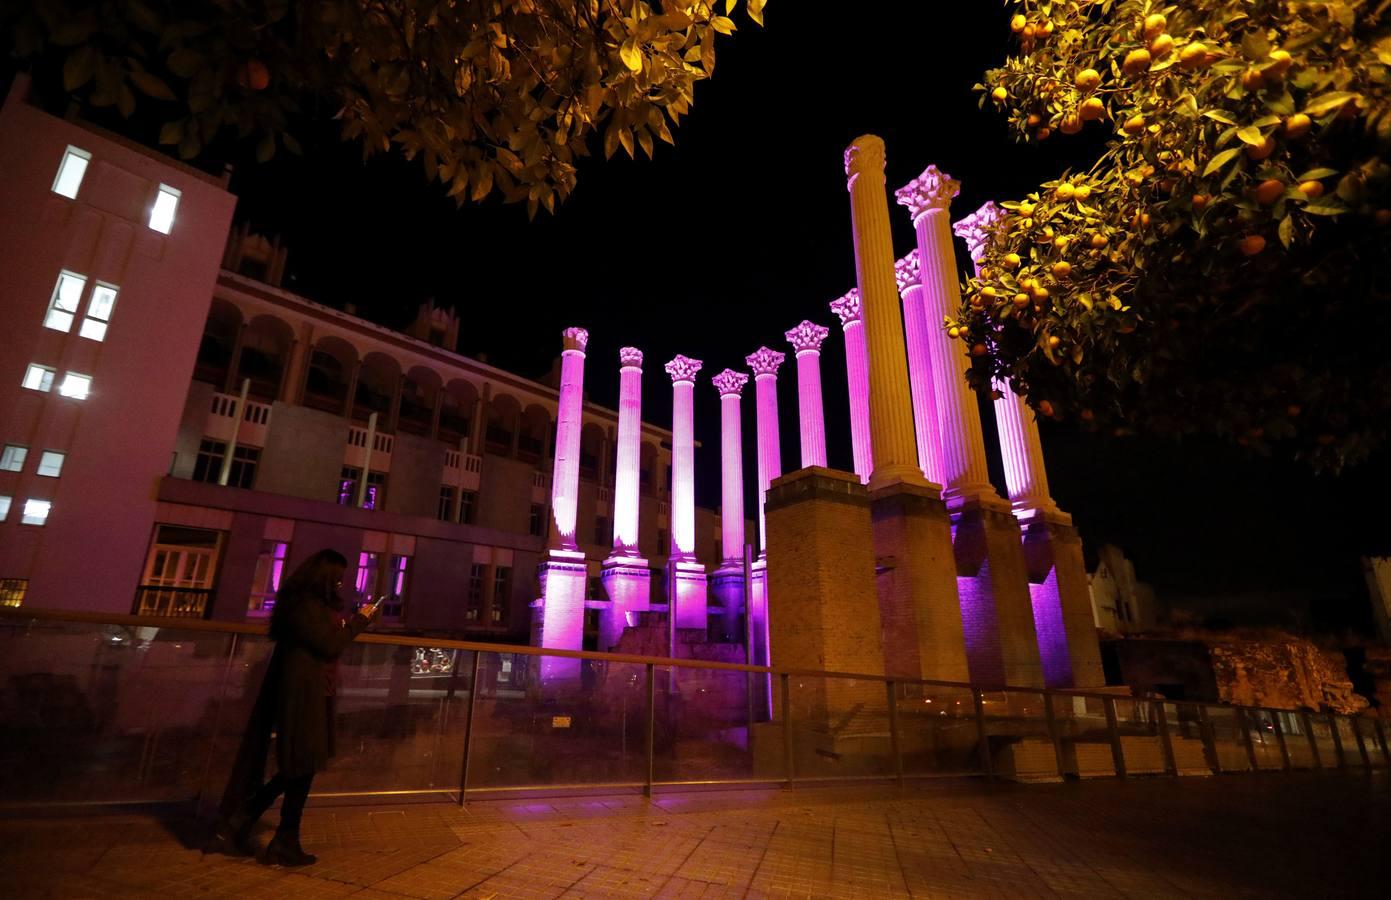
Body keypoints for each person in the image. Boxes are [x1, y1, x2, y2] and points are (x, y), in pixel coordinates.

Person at [215, 549, 381, 866]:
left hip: (312, 692)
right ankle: (258, 822)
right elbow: (330, 643)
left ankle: (272, 830)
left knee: (303, 765)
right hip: (303, 695)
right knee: (302, 764)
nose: (342, 583)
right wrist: (361, 620)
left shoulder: (306, 604)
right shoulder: (305, 606)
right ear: (325, 576)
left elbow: (326, 640)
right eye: (338, 577)